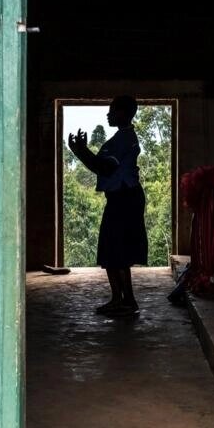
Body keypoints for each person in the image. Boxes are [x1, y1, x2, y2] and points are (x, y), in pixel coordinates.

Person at [68, 96, 148, 316]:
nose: (108, 114)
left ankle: (123, 300)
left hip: (124, 199)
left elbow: (104, 167)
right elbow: (102, 166)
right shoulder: (123, 138)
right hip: (123, 198)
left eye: (112, 110)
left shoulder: (123, 140)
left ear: (123, 113)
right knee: (114, 251)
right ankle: (123, 299)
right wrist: (81, 151)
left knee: (115, 251)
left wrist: (80, 151)